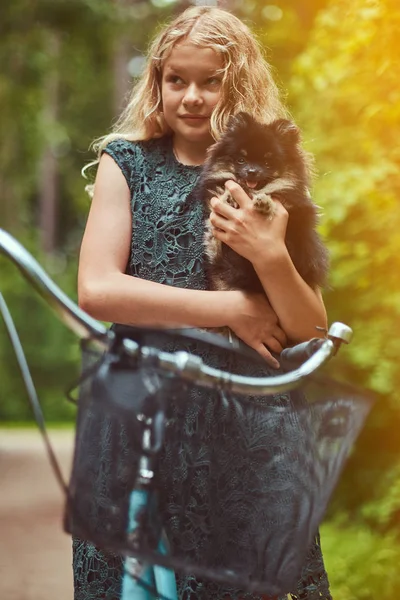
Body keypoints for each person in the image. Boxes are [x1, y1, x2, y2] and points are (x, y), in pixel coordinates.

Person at [74, 5, 331, 600]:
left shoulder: (271, 172)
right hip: (140, 416)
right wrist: (234, 310)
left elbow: (312, 333)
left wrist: (269, 257)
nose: (191, 97)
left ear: (236, 86)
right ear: (156, 83)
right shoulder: (127, 163)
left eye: (211, 81)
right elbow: (98, 290)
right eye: (176, 80)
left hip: (246, 426)